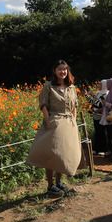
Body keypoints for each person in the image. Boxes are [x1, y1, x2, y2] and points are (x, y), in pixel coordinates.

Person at [27, 59, 82, 197]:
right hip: (54, 122)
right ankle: (50, 185)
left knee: (63, 155)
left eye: (65, 69)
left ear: (67, 70)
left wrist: (74, 121)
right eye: (60, 69)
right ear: (54, 71)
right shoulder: (48, 86)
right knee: (52, 154)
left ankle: (59, 182)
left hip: (69, 124)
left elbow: (74, 106)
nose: (62, 72)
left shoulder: (72, 87)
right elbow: (43, 105)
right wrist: (48, 121)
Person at [90, 80, 108, 155]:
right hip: (96, 116)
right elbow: (93, 102)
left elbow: (105, 106)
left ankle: (104, 150)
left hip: (102, 116)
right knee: (97, 132)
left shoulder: (107, 93)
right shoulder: (98, 93)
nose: (98, 85)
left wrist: (97, 111)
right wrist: (89, 96)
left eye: (100, 84)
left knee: (103, 132)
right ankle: (96, 149)